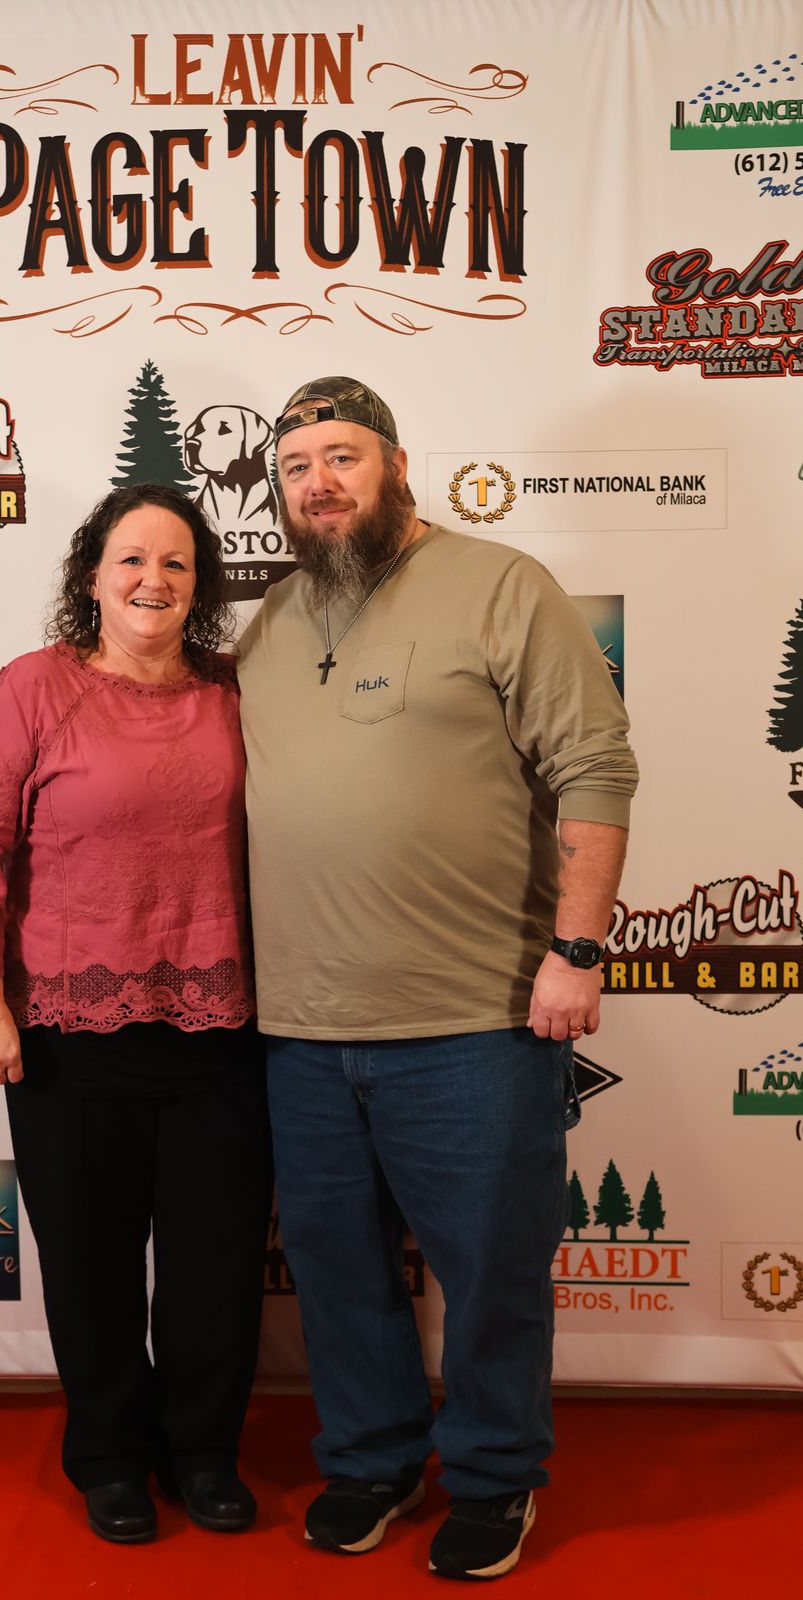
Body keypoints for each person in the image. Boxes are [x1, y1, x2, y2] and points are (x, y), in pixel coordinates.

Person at [236, 378, 638, 1581]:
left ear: (395, 463)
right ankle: (368, 1459)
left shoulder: (500, 584)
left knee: (490, 1273)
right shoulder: (271, 617)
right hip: (300, 1028)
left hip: (474, 1020)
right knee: (334, 1270)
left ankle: (493, 1475)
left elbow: (594, 765)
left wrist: (576, 950)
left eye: (341, 456)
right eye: (295, 465)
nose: (318, 483)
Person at [0, 484, 272, 1545]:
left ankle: (203, 1451)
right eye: (131, 560)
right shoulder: (32, 687)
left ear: (200, 585)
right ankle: (108, 1455)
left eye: (176, 563)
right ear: (92, 577)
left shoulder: (234, 693)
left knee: (215, 1262)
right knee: (88, 1260)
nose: (153, 580)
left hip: (222, 1030)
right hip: (68, 1032)